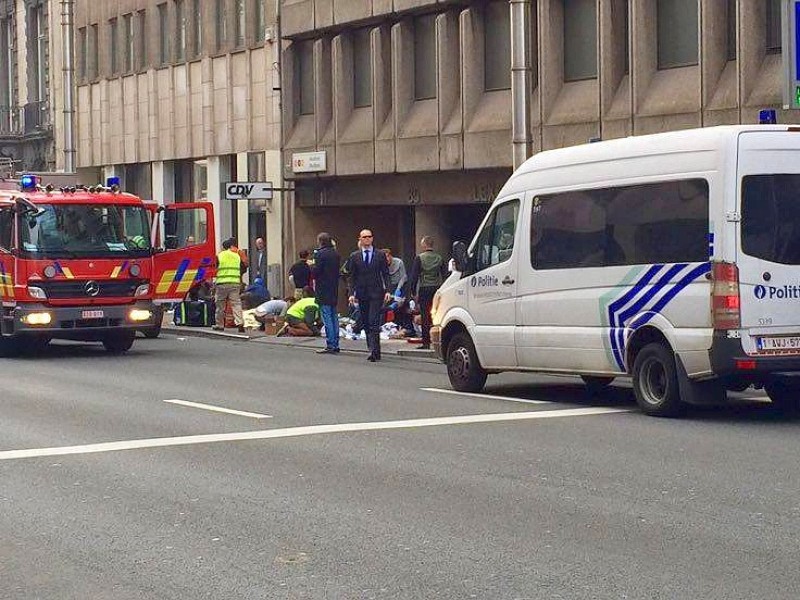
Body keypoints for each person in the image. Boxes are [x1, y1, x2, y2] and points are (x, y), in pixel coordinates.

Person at [343, 229, 389, 362]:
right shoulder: (355, 256)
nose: (367, 239)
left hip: (376, 292)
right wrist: (351, 293)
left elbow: (385, 273)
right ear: (360, 239)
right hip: (362, 293)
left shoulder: (379, 255)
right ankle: (372, 347)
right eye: (364, 237)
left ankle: (375, 351)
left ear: (372, 239)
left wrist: (387, 290)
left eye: (369, 237)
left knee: (374, 321)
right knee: (366, 321)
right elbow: (351, 277)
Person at [408, 235, 448, 349]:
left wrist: (412, 291)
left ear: (424, 245)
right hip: (436, 288)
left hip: (424, 288)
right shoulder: (439, 258)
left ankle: (426, 342)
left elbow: (414, 276)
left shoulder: (419, 258)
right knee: (437, 314)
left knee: (425, 315)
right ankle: (438, 339)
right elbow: (444, 274)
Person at [312, 232, 341, 354]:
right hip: (333, 287)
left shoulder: (320, 254)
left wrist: (312, 265)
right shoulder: (335, 254)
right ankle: (336, 343)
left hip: (323, 289)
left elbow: (316, 271)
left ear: (321, 241)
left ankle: (330, 344)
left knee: (326, 316)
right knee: (334, 316)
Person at [213, 238, 245, 332]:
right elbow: (242, 267)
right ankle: (240, 323)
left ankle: (220, 325)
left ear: (223, 247)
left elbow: (215, 267)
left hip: (222, 283)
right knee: (236, 304)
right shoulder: (237, 255)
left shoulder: (220, 255)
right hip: (235, 283)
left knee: (220, 305)